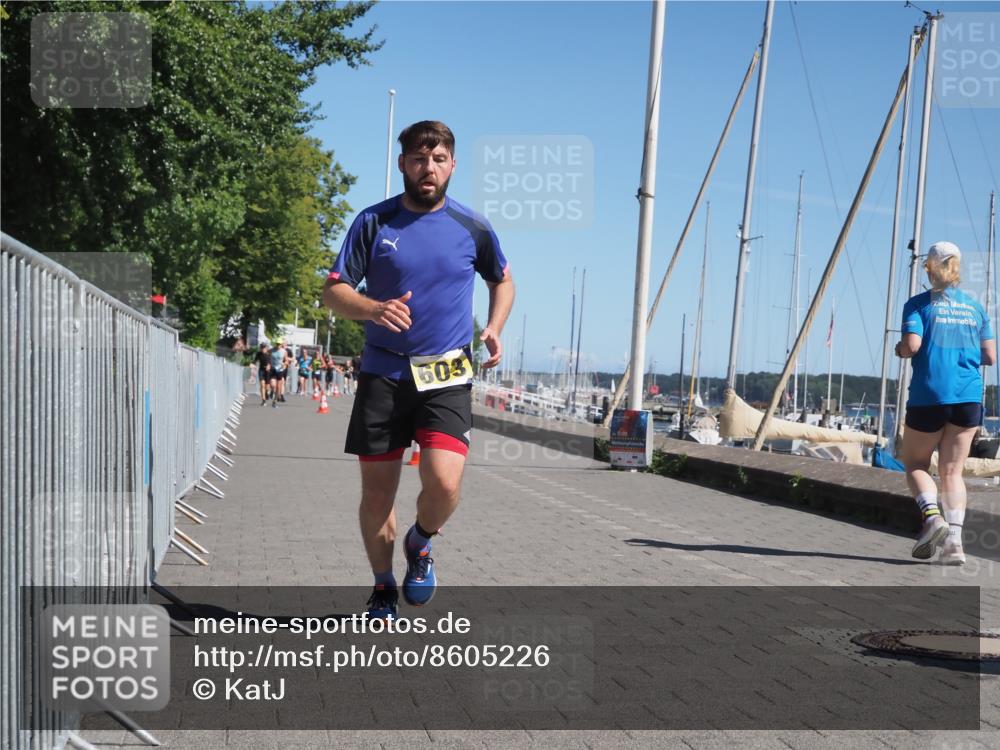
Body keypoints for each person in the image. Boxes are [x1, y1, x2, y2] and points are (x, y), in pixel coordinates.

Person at [323, 120, 514, 619]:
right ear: (403, 162)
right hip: (384, 374)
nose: (428, 168)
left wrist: (493, 326)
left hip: (447, 373)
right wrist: (372, 308)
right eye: (418, 158)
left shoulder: (473, 227)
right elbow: (333, 292)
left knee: (445, 483)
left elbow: (504, 280)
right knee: (377, 497)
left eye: (439, 159)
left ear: (452, 165)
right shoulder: (373, 222)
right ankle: (383, 587)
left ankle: (422, 542)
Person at [896, 241, 996, 564]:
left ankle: (932, 517)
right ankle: (955, 544)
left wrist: (900, 349)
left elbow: (912, 346)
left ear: (930, 268)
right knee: (953, 472)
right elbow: (990, 356)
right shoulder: (976, 308)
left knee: (915, 464)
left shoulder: (918, 305)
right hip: (968, 397)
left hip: (930, 396)